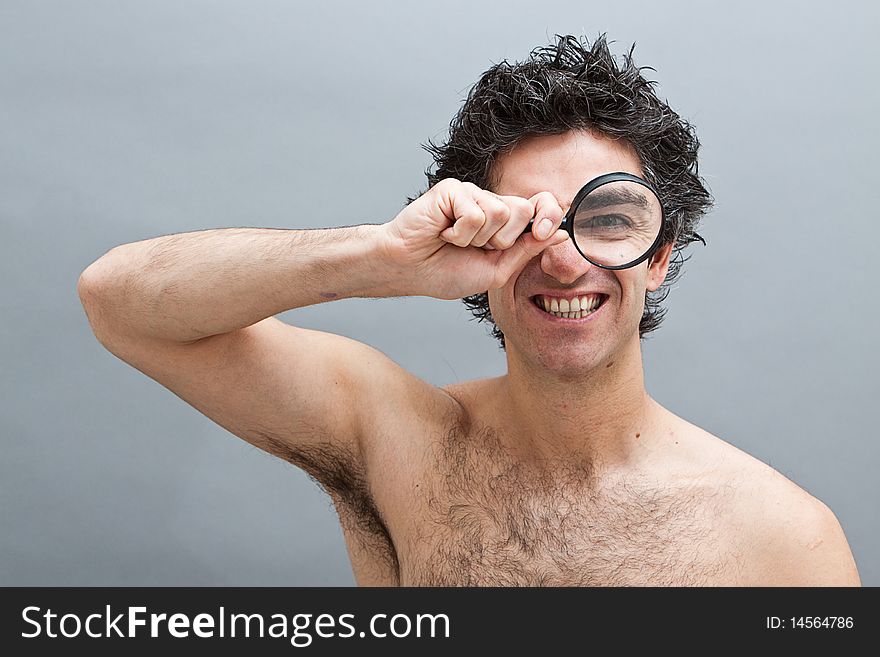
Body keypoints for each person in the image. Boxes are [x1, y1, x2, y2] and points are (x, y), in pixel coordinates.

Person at [77, 33, 861, 586]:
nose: (562, 257)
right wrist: (379, 258)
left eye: (610, 219)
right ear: (476, 248)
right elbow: (117, 299)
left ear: (658, 255)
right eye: (526, 223)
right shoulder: (392, 438)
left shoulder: (787, 541)